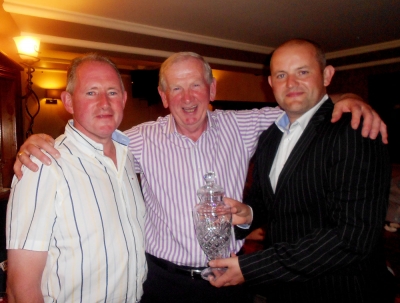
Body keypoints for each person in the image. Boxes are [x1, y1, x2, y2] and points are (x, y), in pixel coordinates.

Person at [13, 52, 388, 303]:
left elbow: (299, 107)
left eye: (196, 86)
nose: (188, 98)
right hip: (163, 283)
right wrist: (35, 140)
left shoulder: (243, 126)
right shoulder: (138, 140)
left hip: (233, 278)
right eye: (176, 88)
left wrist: (344, 97)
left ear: (212, 90)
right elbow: (91, 136)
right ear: (163, 95)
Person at [208, 39, 393, 303]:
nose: (291, 83)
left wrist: (252, 268)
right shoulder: (270, 136)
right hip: (286, 290)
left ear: (327, 75)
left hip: (343, 290)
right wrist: (247, 213)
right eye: (281, 75)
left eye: (302, 72)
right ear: (271, 83)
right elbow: (267, 199)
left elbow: (353, 237)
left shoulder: (354, 129)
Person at [6, 54, 147, 303]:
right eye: (91, 92)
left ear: (124, 100)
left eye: (112, 92)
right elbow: (21, 289)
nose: (105, 103)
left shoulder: (128, 157)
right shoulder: (42, 165)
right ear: (69, 101)